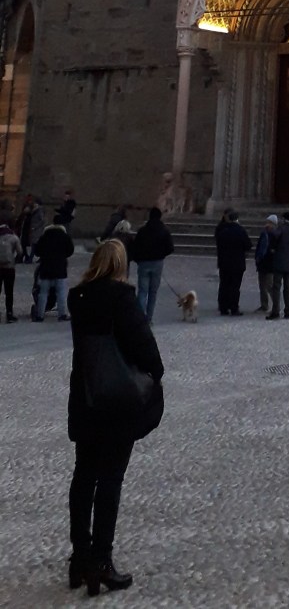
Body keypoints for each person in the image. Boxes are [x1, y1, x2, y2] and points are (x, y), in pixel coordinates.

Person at [67, 239, 164, 594]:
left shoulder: (77, 298)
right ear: (121, 266)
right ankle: (102, 561)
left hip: (87, 397)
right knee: (110, 480)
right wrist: (155, 372)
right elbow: (146, 349)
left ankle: (79, 556)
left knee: (83, 476)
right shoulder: (122, 300)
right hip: (118, 403)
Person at [132, 207, 175, 322]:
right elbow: (170, 248)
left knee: (142, 291)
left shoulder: (142, 231)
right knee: (153, 292)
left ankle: (139, 318)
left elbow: (135, 247)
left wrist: (138, 259)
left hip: (144, 263)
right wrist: (161, 255)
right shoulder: (164, 231)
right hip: (157, 263)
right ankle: (149, 318)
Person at [33, 215, 75, 321]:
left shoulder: (45, 236)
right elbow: (70, 251)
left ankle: (40, 315)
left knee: (43, 293)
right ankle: (62, 314)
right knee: (61, 292)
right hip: (60, 268)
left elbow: (37, 251)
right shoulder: (65, 236)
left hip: (45, 268)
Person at [214, 210, 252, 315]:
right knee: (235, 286)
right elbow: (248, 245)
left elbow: (219, 245)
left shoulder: (223, 231)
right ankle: (234, 307)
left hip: (224, 263)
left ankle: (223, 308)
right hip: (237, 263)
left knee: (224, 285)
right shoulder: (241, 231)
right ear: (237, 219)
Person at [0, 205, 23, 321]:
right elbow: (20, 252)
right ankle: (9, 314)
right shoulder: (13, 237)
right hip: (9, 267)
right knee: (9, 292)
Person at [254, 214, 279, 312]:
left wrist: (259, 257)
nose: (266, 224)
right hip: (264, 263)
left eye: (268, 222)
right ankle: (264, 305)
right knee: (262, 285)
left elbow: (264, 248)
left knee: (269, 285)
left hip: (268, 263)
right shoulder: (265, 233)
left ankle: (275, 304)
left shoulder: (273, 234)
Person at [25, 196, 46, 262]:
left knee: (34, 245)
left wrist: (35, 227)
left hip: (37, 230)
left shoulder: (39, 210)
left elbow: (42, 220)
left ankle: (31, 258)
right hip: (35, 230)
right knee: (35, 245)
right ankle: (40, 257)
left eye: (35, 203)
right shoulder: (35, 210)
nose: (34, 204)